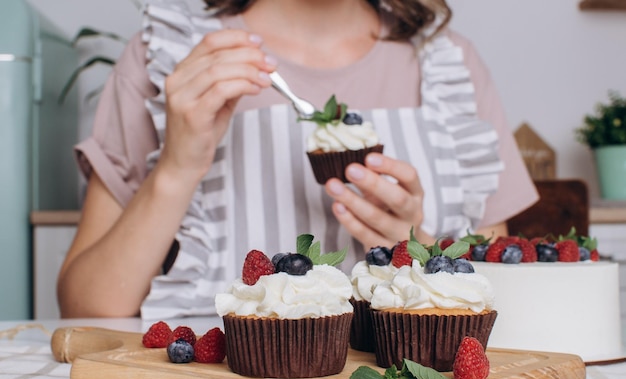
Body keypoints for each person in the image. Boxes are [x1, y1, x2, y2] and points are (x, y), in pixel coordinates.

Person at [57, 0, 538, 319]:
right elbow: (87, 308)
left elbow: (504, 305)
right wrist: (178, 166)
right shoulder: (169, 55)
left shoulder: (451, 66)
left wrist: (417, 253)